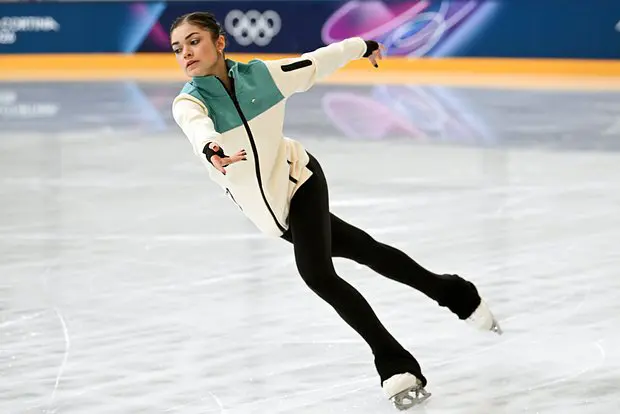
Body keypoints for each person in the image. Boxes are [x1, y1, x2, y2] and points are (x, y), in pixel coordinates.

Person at [170, 11, 501, 411]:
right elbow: (195, 126)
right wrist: (211, 147)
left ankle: (395, 364)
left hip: (301, 180)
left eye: (194, 41)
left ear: (219, 43)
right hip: (275, 215)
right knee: (366, 250)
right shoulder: (190, 102)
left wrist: (362, 46)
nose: (186, 53)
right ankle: (455, 293)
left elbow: (314, 62)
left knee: (318, 275)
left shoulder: (263, 77)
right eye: (178, 48)